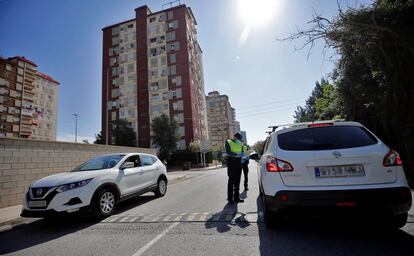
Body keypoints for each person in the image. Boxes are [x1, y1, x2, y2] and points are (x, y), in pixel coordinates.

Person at [225, 132, 245, 204]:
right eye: (238, 139)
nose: (239, 140)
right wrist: (236, 154)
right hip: (231, 163)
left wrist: (247, 154)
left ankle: (236, 197)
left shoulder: (241, 143)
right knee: (231, 181)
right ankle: (230, 198)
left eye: (240, 139)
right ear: (235, 137)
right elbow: (228, 152)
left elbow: (245, 150)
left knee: (237, 181)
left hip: (238, 163)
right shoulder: (228, 142)